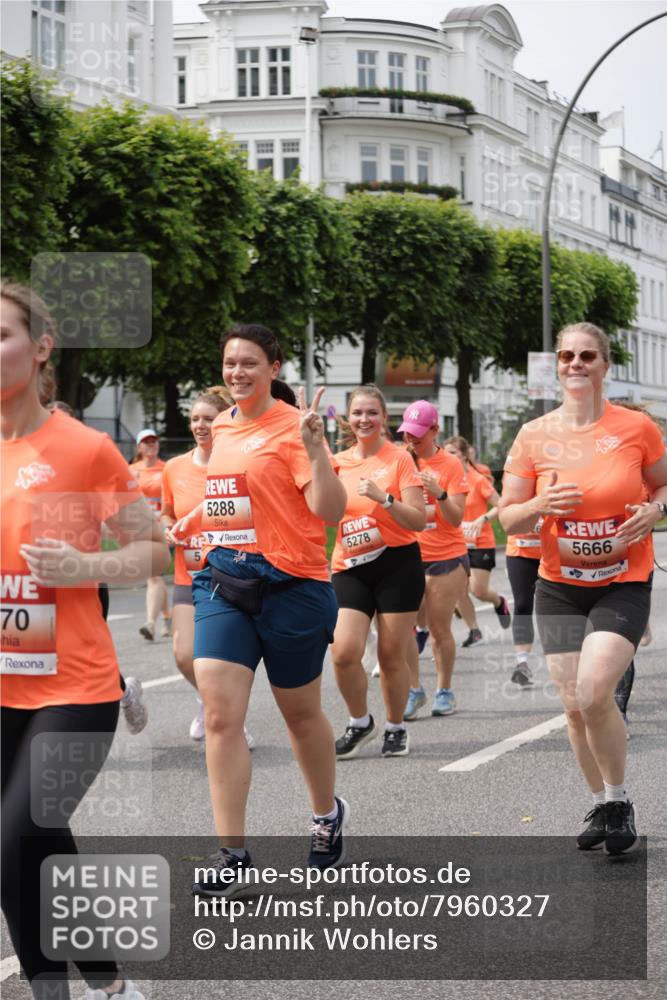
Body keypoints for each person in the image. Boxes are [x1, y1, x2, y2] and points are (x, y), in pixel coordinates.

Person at [1, 280, 169, 999]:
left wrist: (84, 567)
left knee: (15, 839)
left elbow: (156, 551)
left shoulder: (83, 449)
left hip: (75, 685)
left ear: (40, 349)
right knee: (36, 847)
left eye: (2, 334)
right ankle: (104, 985)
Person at [173, 323, 348, 894]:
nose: (237, 373)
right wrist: (194, 520)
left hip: (294, 586)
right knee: (221, 715)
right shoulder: (222, 425)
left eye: (249, 363)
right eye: (230, 363)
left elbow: (328, 510)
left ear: (274, 367)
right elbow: (233, 498)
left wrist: (319, 450)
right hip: (224, 581)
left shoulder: (295, 429)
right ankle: (232, 851)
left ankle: (325, 814)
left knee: (300, 716)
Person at [499, 321, 667, 855]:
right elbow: (509, 518)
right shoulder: (534, 435)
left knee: (596, 691)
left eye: (587, 356)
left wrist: (656, 509)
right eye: (567, 355)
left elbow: (665, 482)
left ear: (605, 365)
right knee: (574, 704)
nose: (576, 364)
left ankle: (618, 801)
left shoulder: (637, 427)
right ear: (557, 363)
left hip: (623, 581)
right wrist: (538, 507)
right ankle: (601, 801)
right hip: (560, 587)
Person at [330, 385, 426, 759]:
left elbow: (417, 520)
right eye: (357, 413)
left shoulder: (400, 458)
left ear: (384, 418)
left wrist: (384, 500)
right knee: (343, 651)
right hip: (350, 564)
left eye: (372, 413)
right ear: (348, 418)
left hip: (396, 564)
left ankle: (395, 726)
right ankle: (359, 721)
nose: (364, 420)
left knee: (389, 654)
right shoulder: (337, 461)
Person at [161, 385, 254, 749]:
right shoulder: (174, 467)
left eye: (208, 419)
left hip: (228, 573)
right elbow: (168, 512)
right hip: (189, 573)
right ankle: (212, 702)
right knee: (184, 655)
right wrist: (168, 529)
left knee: (221, 661)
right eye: (195, 419)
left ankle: (228, 718)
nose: (201, 426)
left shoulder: (235, 464)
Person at [398, 401, 470, 719]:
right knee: (405, 629)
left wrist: (440, 494)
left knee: (440, 629)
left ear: (435, 430)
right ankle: (414, 690)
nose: (412, 440)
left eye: (418, 434)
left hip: (445, 557)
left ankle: (445, 690)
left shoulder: (451, 465)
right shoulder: (400, 461)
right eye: (407, 433)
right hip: (408, 554)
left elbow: (455, 519)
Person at [444, 436, 511, 646]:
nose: (449, 457)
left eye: (453, 452)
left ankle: (499, 601)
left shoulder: (478, 479)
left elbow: (500, 505)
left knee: (478, 590)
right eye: (446, 453)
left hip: (480, 542)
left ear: (464, 455)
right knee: (458, 590)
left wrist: (482, 519)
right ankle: (474, 631)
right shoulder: (445, 480)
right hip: (456, 543)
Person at [130, 428, 170, 641]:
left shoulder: (166, 469)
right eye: (146, 441)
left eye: (154, 440)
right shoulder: (131, 470)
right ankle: (167, 616)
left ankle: (150, 623)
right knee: (155, 575)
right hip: (139, 529)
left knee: (153, 575)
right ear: (139, 447)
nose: (151, 444)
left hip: (159, 528)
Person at [505, 519, 542, 687]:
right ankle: (522, 664)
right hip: (520, 551)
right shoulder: (515, 491)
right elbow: (504, 513)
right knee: (522, 605)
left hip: (553, 551)